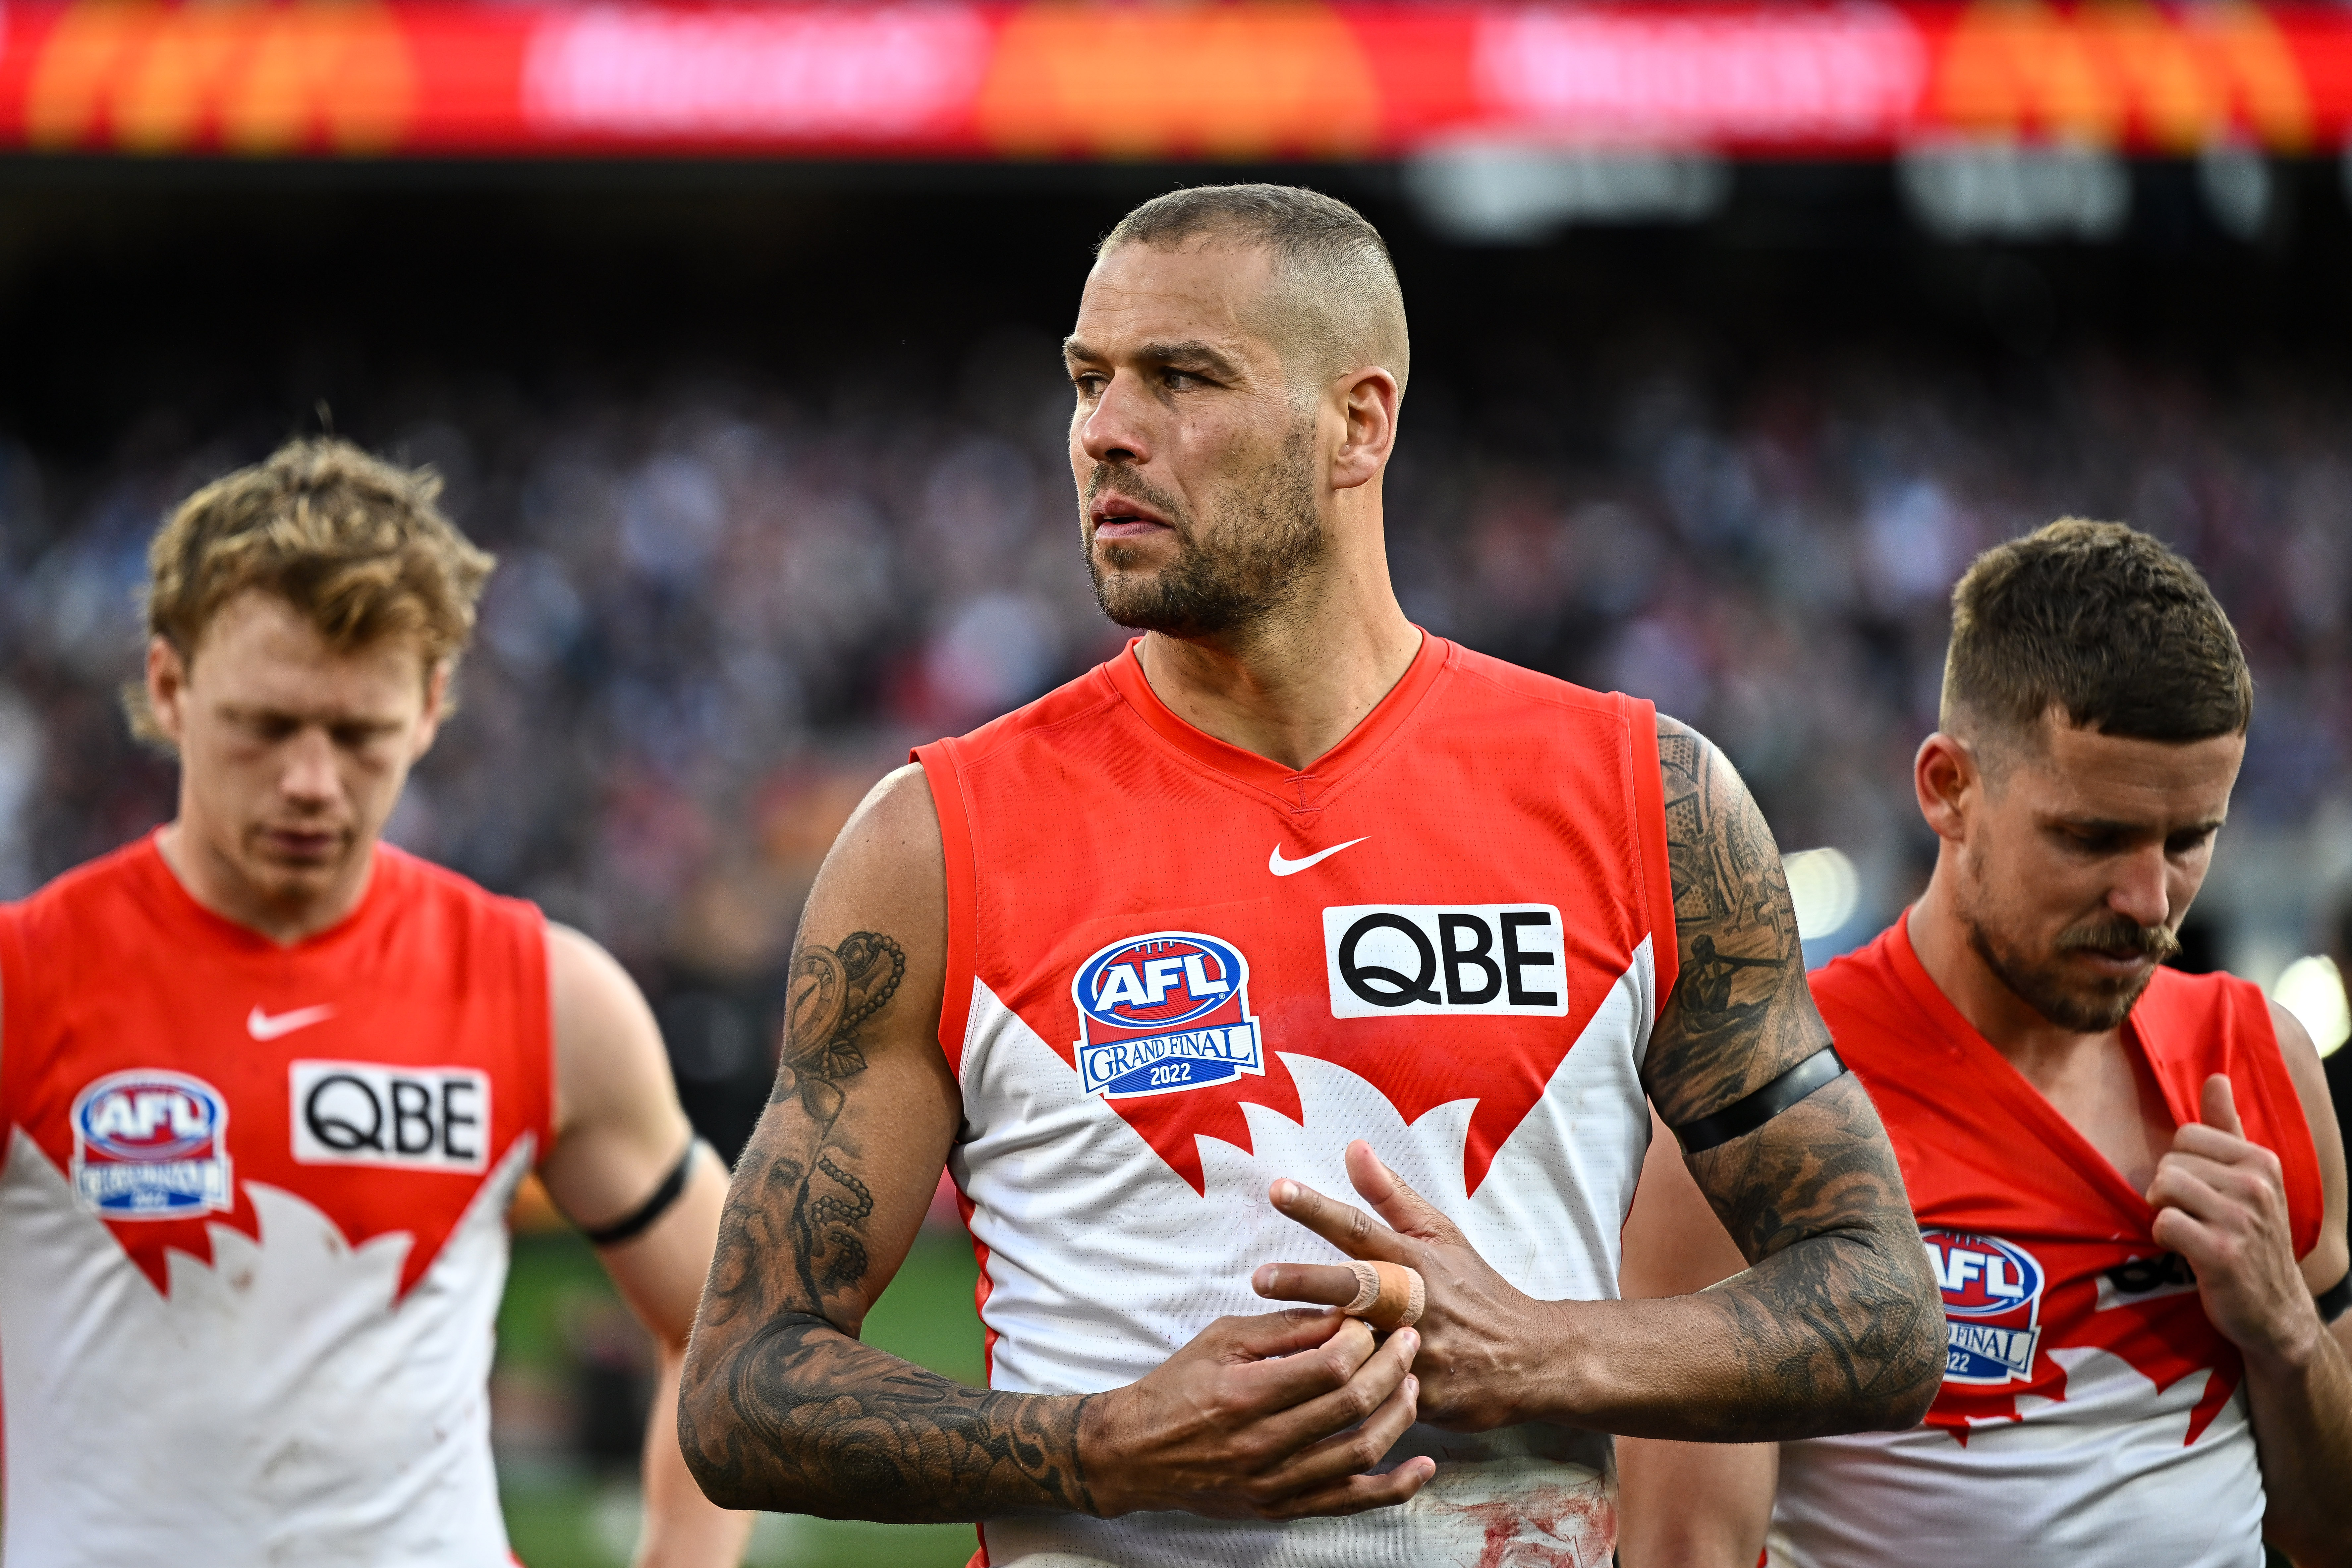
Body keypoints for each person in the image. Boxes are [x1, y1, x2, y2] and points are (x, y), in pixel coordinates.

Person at [675, 183, 1942, 1566]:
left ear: (1359, 422)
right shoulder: (932, 840)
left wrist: (1541, 1355)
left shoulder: (1649, 800)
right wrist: (1101, 1443)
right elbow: (742, 1388)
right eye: (1087, 381)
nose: (1104, 432)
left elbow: (1881, 1308)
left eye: (1182, 378)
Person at [0, 439, 752, 1566]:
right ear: (169, 685)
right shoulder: (27, 977)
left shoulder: (545, 993)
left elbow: (734, 1320)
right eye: (264, 725)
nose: (311, 779)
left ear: (433, 705)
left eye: (357, 734)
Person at [1617, 521, 2352, 1568]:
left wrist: (2285, 1337)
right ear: (1946, 787)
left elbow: (2332, 1534)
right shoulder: (1763, 1104)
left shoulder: (2260, 1059)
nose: (2149, 900)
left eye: (2189, 838)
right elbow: (1686, 1554)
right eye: (2090, 837)